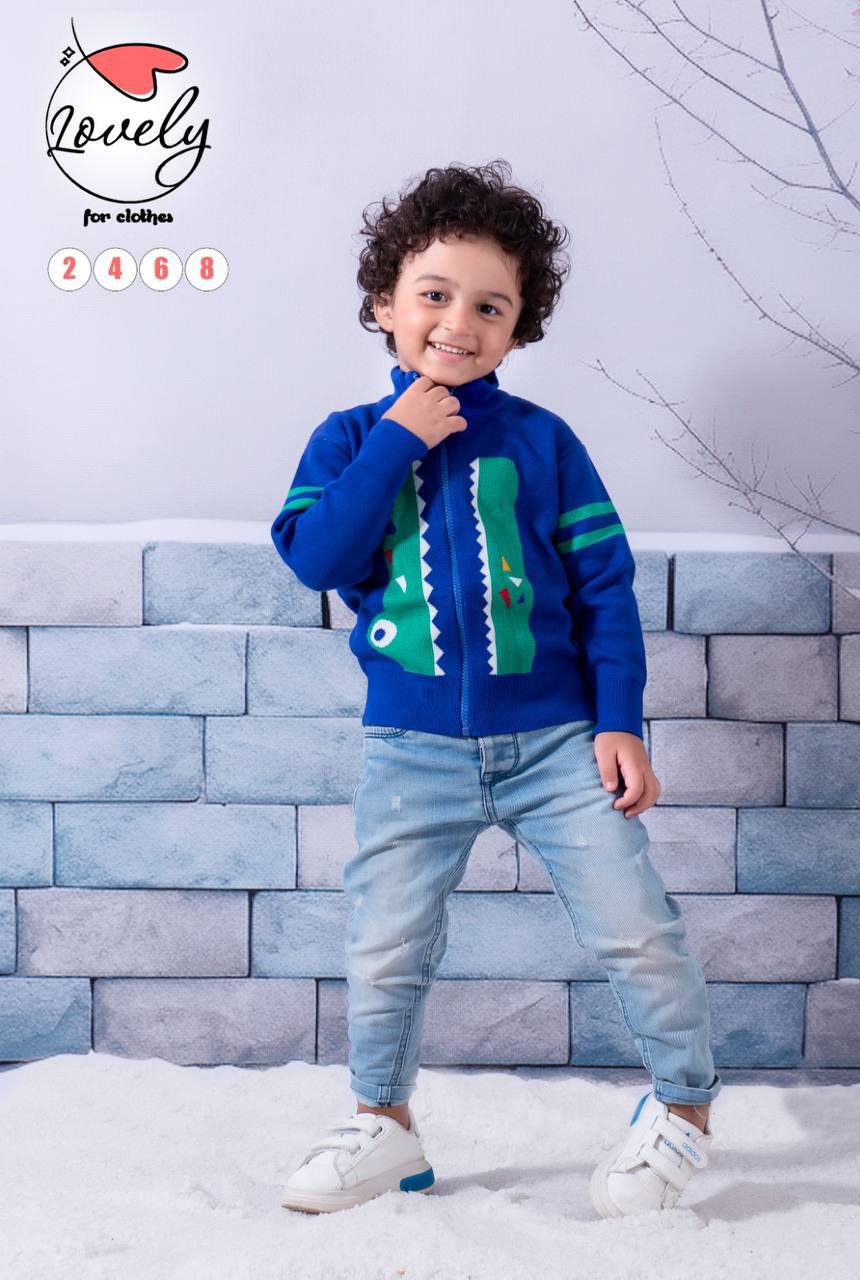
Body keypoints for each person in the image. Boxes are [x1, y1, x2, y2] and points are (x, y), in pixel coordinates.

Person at [271, 159, 721, 1217]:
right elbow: (317, 557)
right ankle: (383, 1125)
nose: (457, 322)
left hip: (558, 741)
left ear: (519, 326)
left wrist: (620, 721)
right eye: (433, 294)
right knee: (385, 941)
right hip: (411, 749)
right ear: (384, 303)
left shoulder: (544, 443)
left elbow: (603, 588)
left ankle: (683, 1114)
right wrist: (399, 438)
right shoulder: (349, 439)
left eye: (490, 306)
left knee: (634, 923)